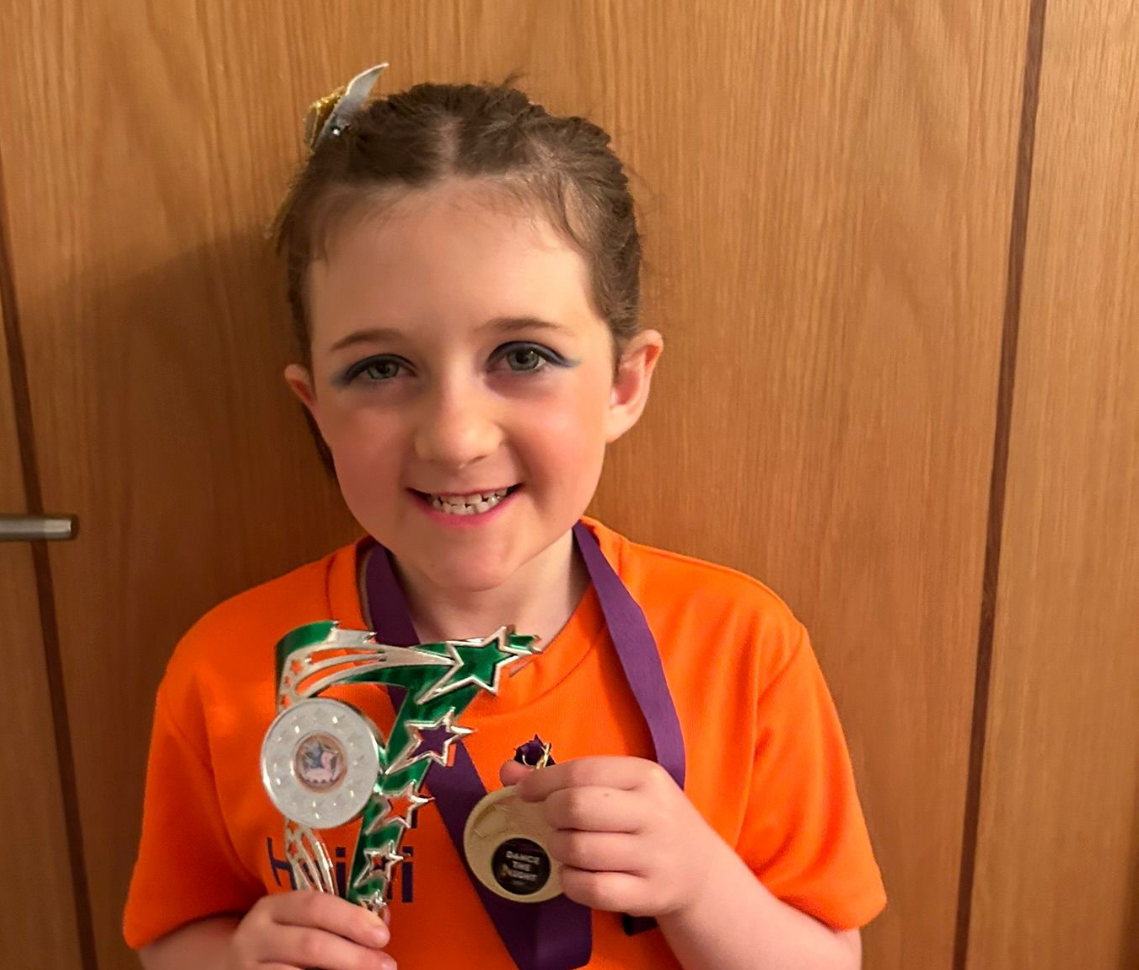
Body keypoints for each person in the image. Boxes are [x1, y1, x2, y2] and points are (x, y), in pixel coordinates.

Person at [125, 68, 885, 970]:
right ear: (314, 406)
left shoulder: (740, 649)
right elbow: (172, 937)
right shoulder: (231, 671)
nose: (454, 437)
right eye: (380, 369)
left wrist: (700, 886)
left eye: (521, 356)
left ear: (623, 384)